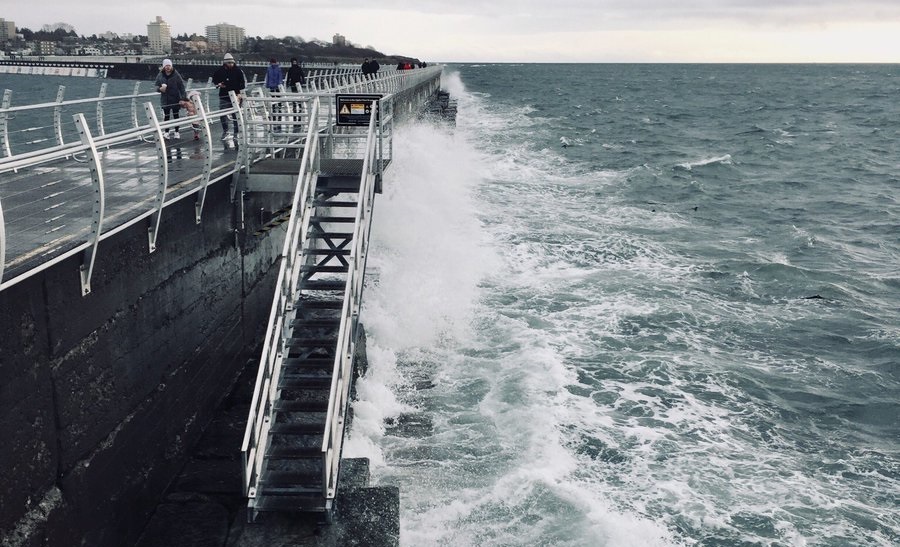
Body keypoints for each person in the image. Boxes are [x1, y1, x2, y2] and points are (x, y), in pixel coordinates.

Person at [211, 52, 246, 140]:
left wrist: (239, 94)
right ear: (225, 63)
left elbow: (242, 83)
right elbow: (214, 79)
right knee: (223, 115)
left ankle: (236, 133)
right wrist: (218, 84)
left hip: (236, 96)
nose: (231, 64)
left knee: (236, 115)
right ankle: (225, 131)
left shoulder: (238, 71)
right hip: (224, 96)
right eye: (229, 63)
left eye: (232, 62)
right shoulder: (219, 71)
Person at [154, 58, 187, 139]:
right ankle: (166, 132)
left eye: (169, 65)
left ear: (171, 66)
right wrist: (160, 89)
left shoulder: (176, 74)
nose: (167, 67)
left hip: (175, 98)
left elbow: (181, 86)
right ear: (163, 66)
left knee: (176, 115)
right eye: (166, 66)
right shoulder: (160, 75)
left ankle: (176, 132)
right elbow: (156, 86)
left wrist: (183, 98)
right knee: (167, 116)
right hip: (165, 99)